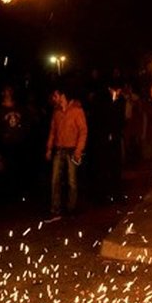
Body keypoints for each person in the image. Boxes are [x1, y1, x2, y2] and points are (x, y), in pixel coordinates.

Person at [45, 86, 87, 216]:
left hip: (71, 150)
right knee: (55, 180)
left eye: (55, 96)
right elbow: (53, 131)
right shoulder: (56, 112)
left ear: (63, 96)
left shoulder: (76, 110)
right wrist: (49, 148)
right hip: (59, 149)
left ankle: (71, 208)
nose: (53, 98)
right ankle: (55, 208)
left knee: (72, 181)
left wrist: (78, 150)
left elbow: (83, 131)